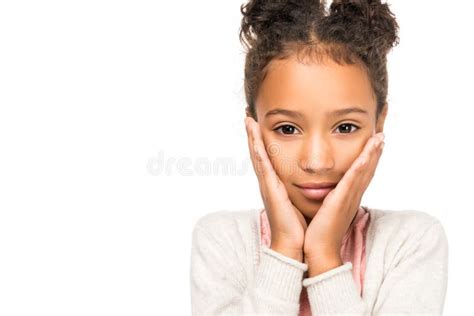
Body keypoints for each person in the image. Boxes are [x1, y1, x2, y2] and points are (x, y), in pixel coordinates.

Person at [190, 0, 449, 315]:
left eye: (344, 127)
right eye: (287, 128)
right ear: (253, 130)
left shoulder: (411, 241)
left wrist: (324, 254)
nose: (316, 161)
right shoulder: (222, 240)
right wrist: (285, 247)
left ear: (379, 123)